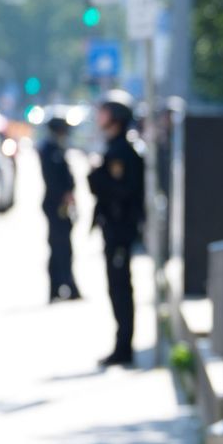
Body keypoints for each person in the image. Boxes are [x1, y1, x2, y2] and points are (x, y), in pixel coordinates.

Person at [88, 90, 145, 367]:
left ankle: (124, 348)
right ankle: (122, 345)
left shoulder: (122, 151)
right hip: (114, 227)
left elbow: (121, 191)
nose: (100, 116)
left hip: (120, 229)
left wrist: (95, 176)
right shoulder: (114, 147)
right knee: (116, 287)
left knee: (121, 288)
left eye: (105, 111)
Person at [38, 117, 81, 302]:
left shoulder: (56, 148)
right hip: (55, 205)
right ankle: (61, 286)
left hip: (61, 204)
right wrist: (65, 195)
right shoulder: (49, 149)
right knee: (59, 246)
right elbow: (54, 180)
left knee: (63, 247)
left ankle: (64, 286)